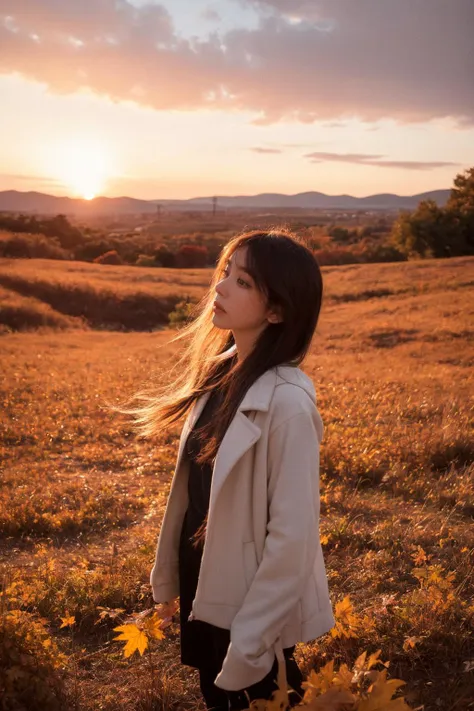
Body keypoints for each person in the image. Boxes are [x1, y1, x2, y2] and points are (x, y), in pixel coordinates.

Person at [124, 229, 335, 710]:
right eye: (225, 273)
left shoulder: (288, 404)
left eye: (243, 282)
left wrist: (254, 634)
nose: (220, 287)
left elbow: (292, 539)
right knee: (214, 697)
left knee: (261, 698)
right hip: (206, 575)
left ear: (277, 310)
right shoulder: (220, 372)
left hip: (251, 596)